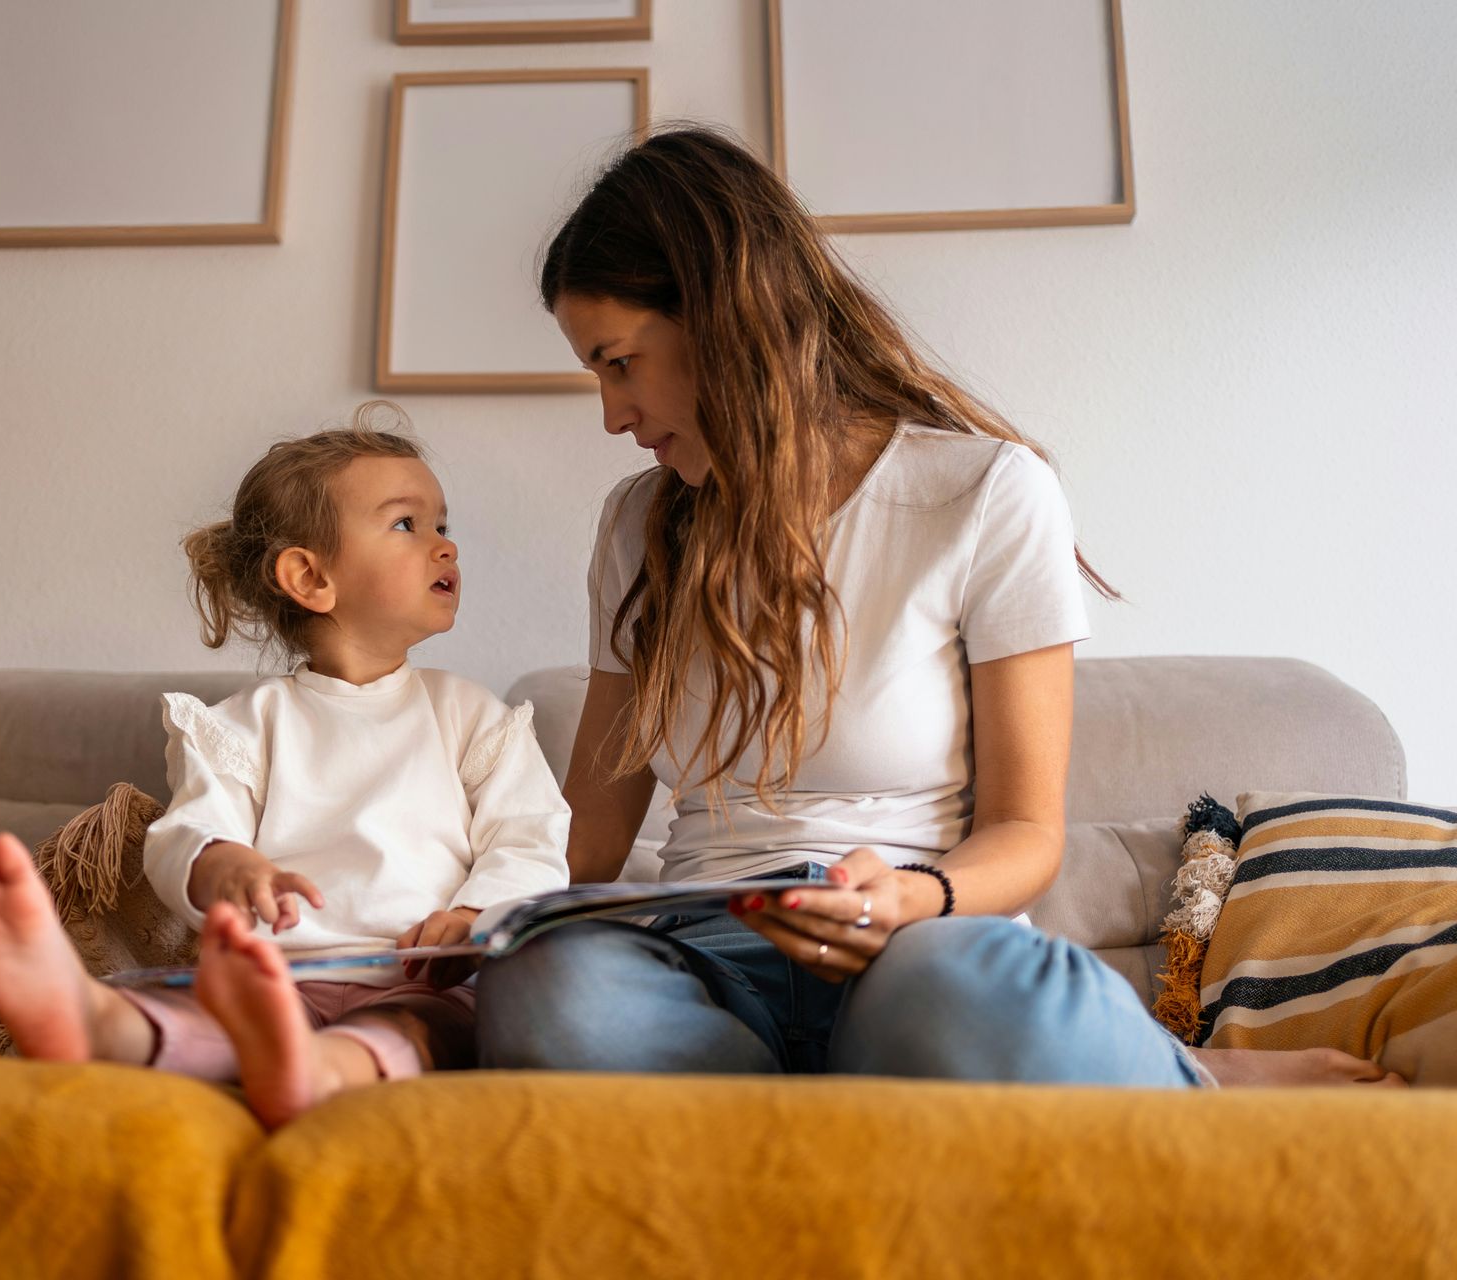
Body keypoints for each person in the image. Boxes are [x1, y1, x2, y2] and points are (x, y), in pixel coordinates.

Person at [475, 127, 1402, 1090]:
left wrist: (913, 899)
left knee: (950, 1001)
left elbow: (1027, 835)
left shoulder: (986, 492)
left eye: (618, 362)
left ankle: (1188, 1081)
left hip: (919, 951)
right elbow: (585, 840)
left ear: (720, 316)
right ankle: (810, 1107)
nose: (611, 416)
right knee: (542, 989)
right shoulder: (635, 526)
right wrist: (456, 912)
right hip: (707, 958)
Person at [0, 410, 571, 1128]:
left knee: (432, 1028)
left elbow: (530, 838)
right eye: (407, 525)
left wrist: (474, 917)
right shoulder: (247, 725)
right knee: (211, 1013)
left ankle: (316, 1069)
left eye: (441, 524)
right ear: (310, 577)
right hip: (278, 978)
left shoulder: (471, 716)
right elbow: (187, 834)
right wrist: (225, 865)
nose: (445, 545)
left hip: (422, 980)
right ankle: (99, 1022)